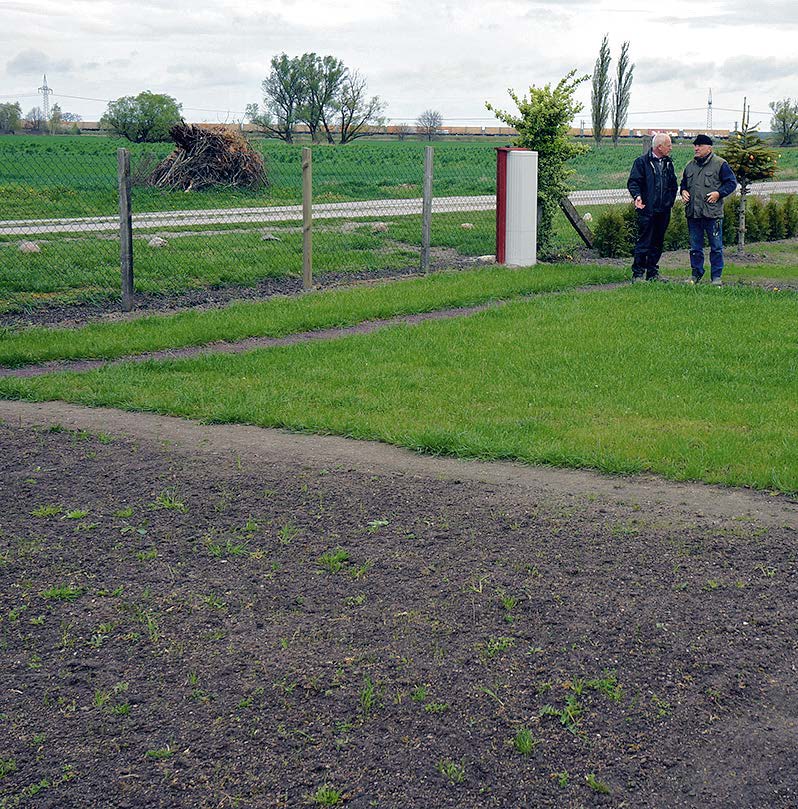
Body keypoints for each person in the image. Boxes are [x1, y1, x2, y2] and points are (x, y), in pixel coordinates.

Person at [680, 134, 737, 286]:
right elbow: (683, 184)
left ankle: (716, 277)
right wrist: (683, 191)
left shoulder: (720, 164)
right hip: (693, 214)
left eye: (700, 146)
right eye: (695, 146)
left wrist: (719, 193)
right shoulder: (690, 165)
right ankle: (696, 274)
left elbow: (731, 183)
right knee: (695, 247)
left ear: (709, 148)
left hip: (712, 213)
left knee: (716, 247)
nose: (696, 148)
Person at [626, 132, 678, 282]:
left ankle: (652, 273)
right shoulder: (641, 162)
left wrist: (669, 202)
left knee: (657, 242)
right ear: (659, 147)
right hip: (647, 210)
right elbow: (633, 182)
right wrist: (637, 196)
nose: (671, 148)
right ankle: (638, 273)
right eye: (669, 145)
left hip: (663, 211)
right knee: (644, 242)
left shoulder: (668, 164)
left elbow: (673, 185)